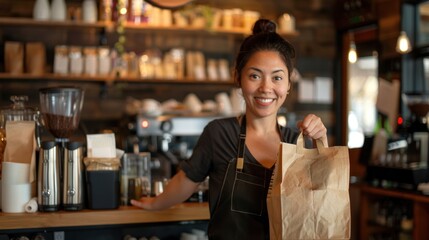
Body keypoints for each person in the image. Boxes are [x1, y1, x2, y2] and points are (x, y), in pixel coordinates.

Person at [131, 18, 328, 239]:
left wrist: (320, 143)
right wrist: (155, 204)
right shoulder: (219, 134)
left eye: (277, 78)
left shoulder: (297, 142)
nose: (266, 88)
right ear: (238, 78)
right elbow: (186, 180)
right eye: (255, 76)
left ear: (288, 85)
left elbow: (320, 199)